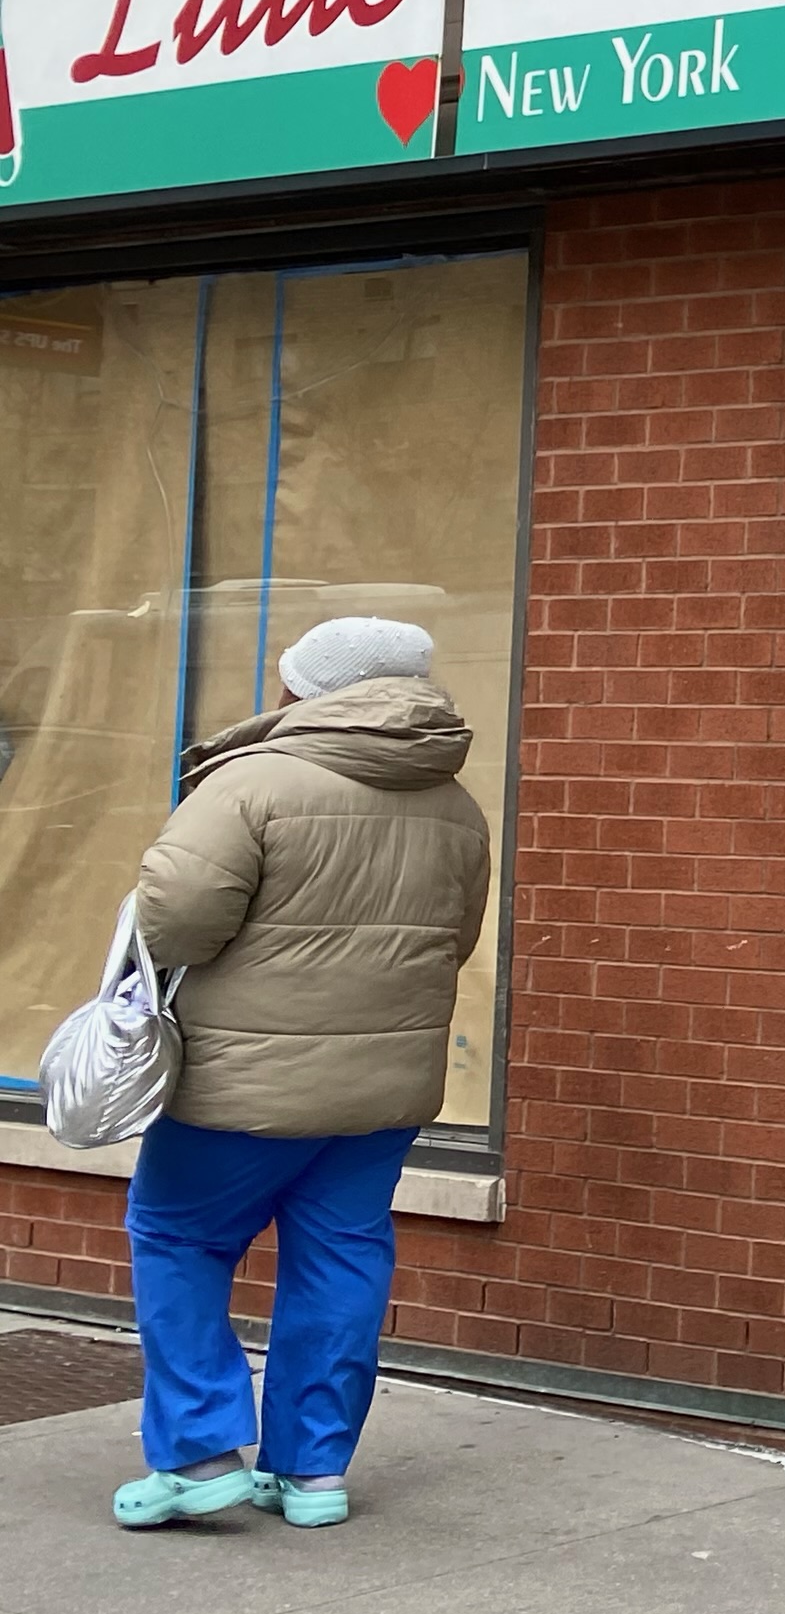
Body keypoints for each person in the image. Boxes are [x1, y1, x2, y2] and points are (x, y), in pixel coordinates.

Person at [109, 616, 492, 1530]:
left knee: (177, 1238)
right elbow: (456, 941)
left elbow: (176, 922)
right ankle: (311, 1472)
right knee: (341, 1254)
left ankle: (201, 1454)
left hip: (242, 1082)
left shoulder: (254, 783)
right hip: (385, 1084)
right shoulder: (456, 804)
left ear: (308, 688)